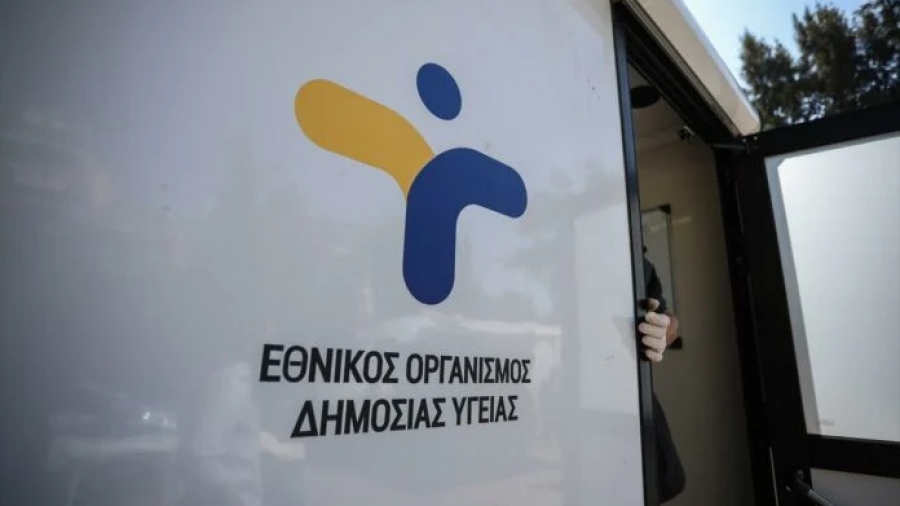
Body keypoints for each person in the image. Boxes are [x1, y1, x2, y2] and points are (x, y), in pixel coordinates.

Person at [639, 249, 686, 503]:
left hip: (632, 391)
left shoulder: (635, 255)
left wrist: (666, 327)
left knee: (663, 478)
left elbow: (669, 319)